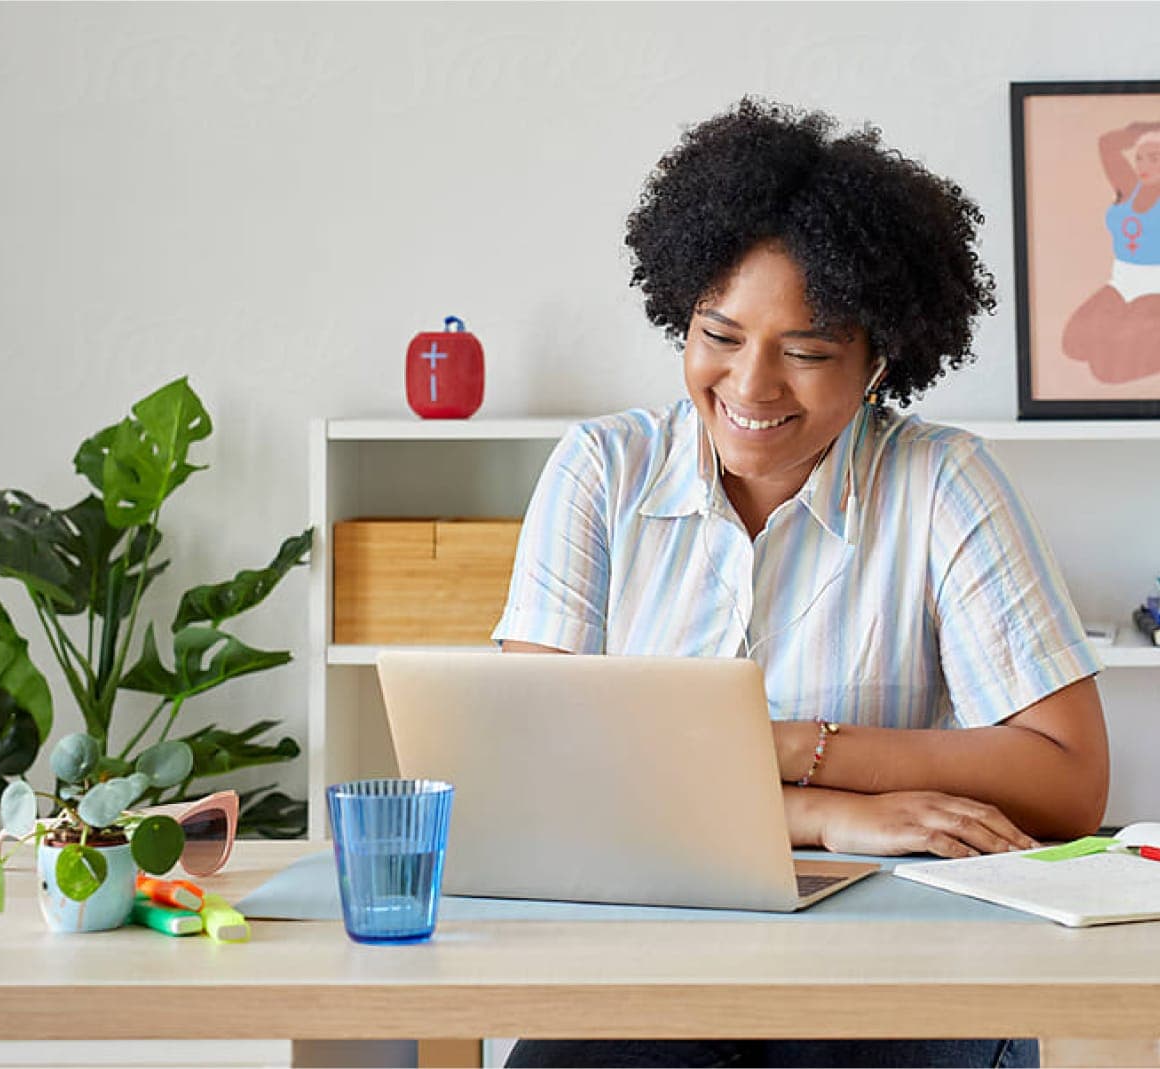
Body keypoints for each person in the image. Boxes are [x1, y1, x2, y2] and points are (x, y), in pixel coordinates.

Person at [492, 98, 1109, 1069]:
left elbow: (1068, 782)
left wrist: (786, 747)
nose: (750, 386)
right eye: (719, 334)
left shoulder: (944, 481)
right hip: (643, 963)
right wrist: (826, 811)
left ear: (878, 361)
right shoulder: (600, 470)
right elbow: (538, 777)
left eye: (809, 352)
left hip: (891, 962)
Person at [1062, 120, 1160, 382]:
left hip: (1156, 288)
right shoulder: (1130, 188)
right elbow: (1107, 144)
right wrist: (1143, 130)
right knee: (1075, 345)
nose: (1144, 166)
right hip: (1121, 282)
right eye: (1139, 158)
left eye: (1154, 158)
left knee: (1107, 371)